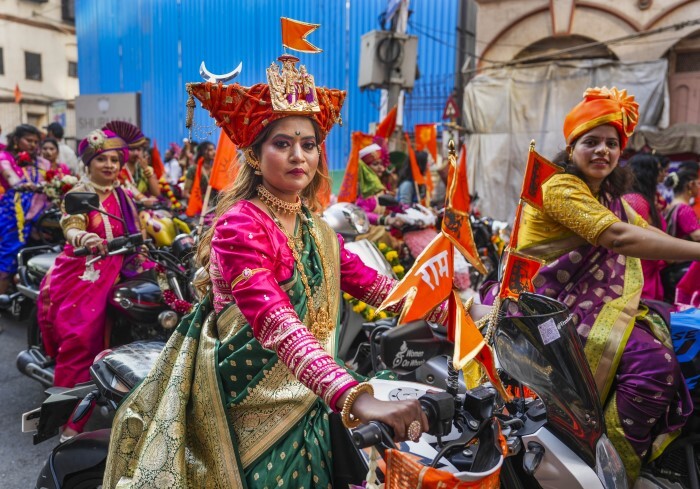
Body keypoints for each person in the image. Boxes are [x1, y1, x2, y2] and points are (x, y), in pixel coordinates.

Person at [103, 52, 450, 489]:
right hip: (252, 405)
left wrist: (450, 311)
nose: (298, 155)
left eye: (308, 144)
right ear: (253, 153)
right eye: (281, 143)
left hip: (309, 388)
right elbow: (277, 323)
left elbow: (378, 287)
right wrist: (352, 396)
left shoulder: (315, 226)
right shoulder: (240, 225)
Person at [481, 87, 696, 482]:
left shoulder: (611, 197)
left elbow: (642, 229)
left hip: (585, 307)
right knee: (654, 365)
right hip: (544, 312)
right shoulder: (560, 187)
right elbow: (619, 238)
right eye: (591, 142)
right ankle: (610, 468)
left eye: (612, 144)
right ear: (571, 147)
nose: (603, 151)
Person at [37, 128, 151, 441]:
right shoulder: (78, 194)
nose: (110, 165)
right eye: (102, 158)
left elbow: (137, 231)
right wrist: (83, 236)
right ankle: (67, 423)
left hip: (122, 266)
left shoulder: (123, 195)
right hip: (84, 269)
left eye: (115, 159)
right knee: (81, 339)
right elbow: (71, 225)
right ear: (88, 162)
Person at [0, 124, 50, 294]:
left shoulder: (38, 162)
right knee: (9, 254)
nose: (33, 145)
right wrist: (25, 185)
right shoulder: (4, 157)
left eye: (36, 142)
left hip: (39, 215)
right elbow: (10, 177)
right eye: (29, 140)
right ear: (16, 140)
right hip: (13, 214)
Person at [622, 153, 667, 301]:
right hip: (639, 276)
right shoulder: (636, 200)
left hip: (647, 272)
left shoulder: (645, 199)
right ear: (649, 172)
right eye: (659, 170)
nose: (663, 175)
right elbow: (640, 239)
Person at [663, 169, 700, 306]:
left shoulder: (672, 205)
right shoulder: (684, 208)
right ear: (690, 185)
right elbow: (696, 236)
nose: (699, 187)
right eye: (698, 183)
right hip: (682, 265)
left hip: (673, 263)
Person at [105, 121, 161, 199]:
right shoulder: (117, 168)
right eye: (132, 149)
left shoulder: (144, 170)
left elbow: (156, 193)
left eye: (139, 149)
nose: (136, 153)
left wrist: (146, 170)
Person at [184, 140, 217, 216]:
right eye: (210, 150)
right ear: (203, 152)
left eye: (214, 149)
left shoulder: (216, 169)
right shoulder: (193, 170)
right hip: (199, 211)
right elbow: (185, 193)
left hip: (214, 209)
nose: (214, 152)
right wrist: (202, 205)